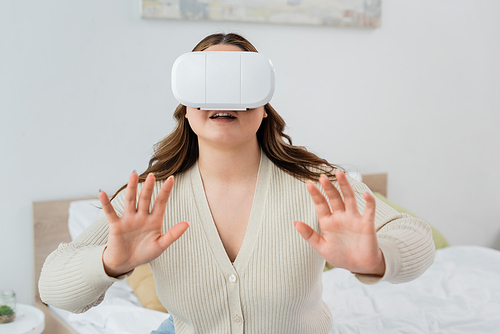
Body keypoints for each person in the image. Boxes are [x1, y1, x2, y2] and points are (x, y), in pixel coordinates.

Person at [39, 33, 435, 334]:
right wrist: (110, 261)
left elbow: (415, 238)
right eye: (208, 85)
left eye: (241, 85)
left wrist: (379, 259)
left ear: (264, 109)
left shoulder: (318, 185)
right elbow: (55, 289)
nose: (223, 99)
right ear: (186, 110)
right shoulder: (148, 198)